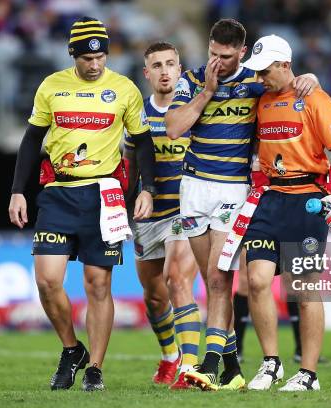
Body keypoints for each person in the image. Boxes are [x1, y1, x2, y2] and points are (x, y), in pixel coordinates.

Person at [165, 19, 320, 391]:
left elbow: (288, 81)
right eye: (212, 54)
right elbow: (173, 128)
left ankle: (209, 362)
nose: (217, 61)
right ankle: (232, 367)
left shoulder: (255, 81)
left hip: (233, 189)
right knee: (210, 281)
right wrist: (207, 91)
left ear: (242, 53)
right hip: (193, 188)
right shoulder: (193, 79)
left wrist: (310, 78)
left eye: (226, 56)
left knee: (221, 279)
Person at [8, 16, 156, 391]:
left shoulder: (124, 89)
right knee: (47, 281)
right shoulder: (52, 86)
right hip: (58, 192)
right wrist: (17, 190)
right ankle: (71, 348)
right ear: (73, 55)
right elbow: (31, 140)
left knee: (97, 285)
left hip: (103, 197)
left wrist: (146, 189)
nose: (96, 65)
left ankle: (94, 368)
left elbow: (144, 143)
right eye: (88, 59)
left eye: (101, 57)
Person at [241, 35, 331, 391]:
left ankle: (308, 374)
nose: (260, 77)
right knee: (256, 280)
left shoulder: (316, 99)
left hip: (308, 200)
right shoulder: (260, 99)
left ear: (285, 65)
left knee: (302, 289)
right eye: (256, 71)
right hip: (271, 198)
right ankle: (271, 363)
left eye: (266, 70)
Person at [123, 42, 201, 389]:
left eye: (171, 64)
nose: (165, 71)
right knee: (154, 296)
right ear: (147, 73)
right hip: (149, 214)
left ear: (180, 68)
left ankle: (189, 367)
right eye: (157, 65)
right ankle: (170, 356)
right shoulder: (138, 115)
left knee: (177, 279)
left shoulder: (195, 108)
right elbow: (129, 163)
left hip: (187, 212)